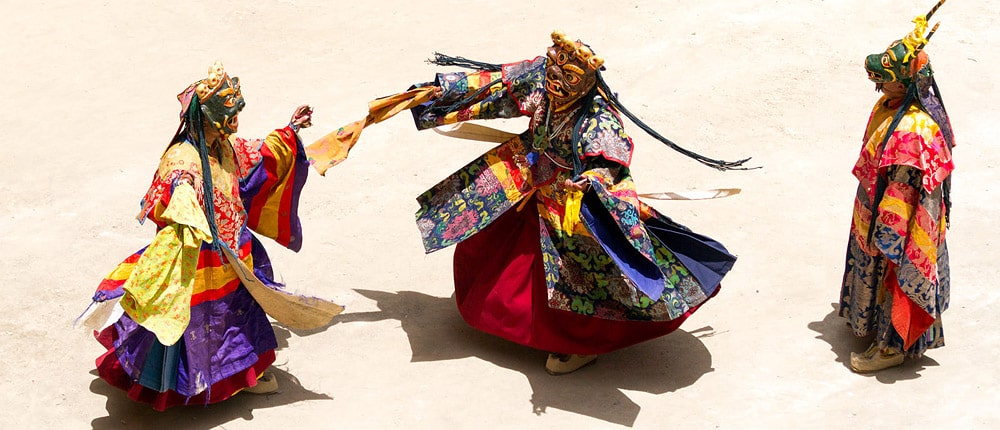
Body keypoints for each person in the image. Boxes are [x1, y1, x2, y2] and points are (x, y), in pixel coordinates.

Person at [310, 31, 747, 375]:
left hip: (573, 210)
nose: (556, 83)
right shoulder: (541, 77)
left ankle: (576, 347)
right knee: (489, 252)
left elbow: (612, 168)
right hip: (528, 186)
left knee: (579, 277)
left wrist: (588, 185)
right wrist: (434, 93)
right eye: (553, 72)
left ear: (588, 84)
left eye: (567, 80)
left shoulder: (599, 119)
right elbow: (492, 86)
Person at [77, 61, 342, 410]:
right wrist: (185, 199)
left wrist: (290, 130)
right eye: (230, 116)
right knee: (190, 325)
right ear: (212, 120)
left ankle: (244, 374)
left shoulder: (224, 145)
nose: (235, 123)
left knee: (236, 315)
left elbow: (258, 154)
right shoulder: (182, 157)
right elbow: (174, 188)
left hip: (232, 251)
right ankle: (180, 386)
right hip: (195, 260)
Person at [839, 3, 955, 373]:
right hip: (876, 210)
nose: (877, 84)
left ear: (905, 83)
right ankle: (873, 326)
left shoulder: (914, 132)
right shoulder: (891, 106)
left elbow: (905, 194)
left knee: (894, 276)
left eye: (884, 78)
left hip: (899, 225)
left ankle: (891, 347)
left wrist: (887, 234)